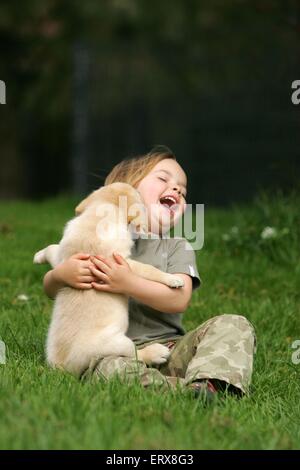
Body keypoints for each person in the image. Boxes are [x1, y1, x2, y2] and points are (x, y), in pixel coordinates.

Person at [43, 147, 256, 400]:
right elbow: (54, 290)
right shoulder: (97, 238)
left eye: (183, 190)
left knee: (234, 324)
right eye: (163, 179)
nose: (176, 189)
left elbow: (179, 298)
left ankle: (210, 383)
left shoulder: (177, 246)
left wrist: (128, 283)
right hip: (113, 352)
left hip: (170, 349)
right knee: (106, 367)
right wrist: (60, 275)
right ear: (126, 190)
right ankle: (180, 390)